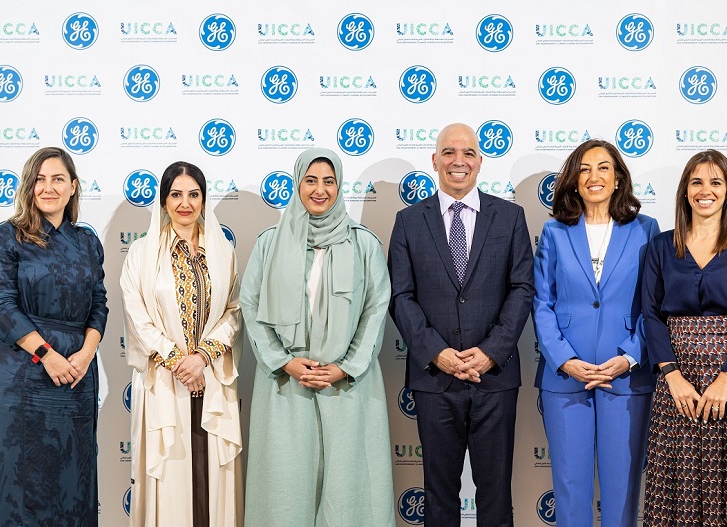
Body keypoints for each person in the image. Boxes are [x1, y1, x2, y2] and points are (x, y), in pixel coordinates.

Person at [388, 123, 534, 526]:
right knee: (438, 497)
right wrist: (437, 352)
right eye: (449, 152)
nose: (459, 161)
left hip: (494, 378)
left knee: (496, 496)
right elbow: (400, 296)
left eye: (468, 152)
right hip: (435, 380)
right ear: (435, 160)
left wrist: (490, 352)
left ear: (480, 162)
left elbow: (522, 289)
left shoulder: (510, 217)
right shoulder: (408, 221)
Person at [240, 147, 395, 526]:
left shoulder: (363, 243)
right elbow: (250, 305)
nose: (320, 190)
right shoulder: (270, 242)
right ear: (297, 184)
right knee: (285, 493)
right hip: (285, 386)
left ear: (339, 186)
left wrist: (346, 366)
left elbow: (376, 309)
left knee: (348, 495)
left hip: (347, 387)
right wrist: (284, 361)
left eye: (329, 181)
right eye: (310, 180)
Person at [642, 149, 727, 526]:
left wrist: (726, 379)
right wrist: (671, 375)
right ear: (685, 191)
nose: (706, 190)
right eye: (697, 182)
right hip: (678, 387)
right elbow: (651, 315)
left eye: (716, 182)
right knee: (678, 491)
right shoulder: (661, 247)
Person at [532, 139, 659, 526]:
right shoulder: (554, 231)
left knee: (622, 491)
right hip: (566, 379)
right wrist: (565, 360)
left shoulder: (646, 230)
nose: (594, 176)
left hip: (626, 378)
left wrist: (629, 357)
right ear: (574, 180)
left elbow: (654, 305)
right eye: (584, 169)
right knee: (570, 489)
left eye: (604, 167)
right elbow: (541, 302)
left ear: (618, 178)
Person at [0, 147, 108, 526]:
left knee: (72, 483)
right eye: (39, 179)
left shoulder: (87, 242)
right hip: (22, 377)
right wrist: (46, 354)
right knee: (19, 488)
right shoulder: (6, 237)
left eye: (57, 179)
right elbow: (2, 304)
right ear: (28, 186)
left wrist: (87, 353)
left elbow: (99, 303)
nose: (48, 187)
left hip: (77, 377)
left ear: (73, 187)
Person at [120, 161, 242, 527]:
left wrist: (202, 357)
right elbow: (137, 317)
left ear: (204, 200)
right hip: (165, 380)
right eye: (176, 194)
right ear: (163, 201)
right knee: (170, 479)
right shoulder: (141, 253)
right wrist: (178, 361)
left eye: (193, 194)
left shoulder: (223, 252)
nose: (185, 203)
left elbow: (234, 312)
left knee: (212, 480)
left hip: (212, 378)